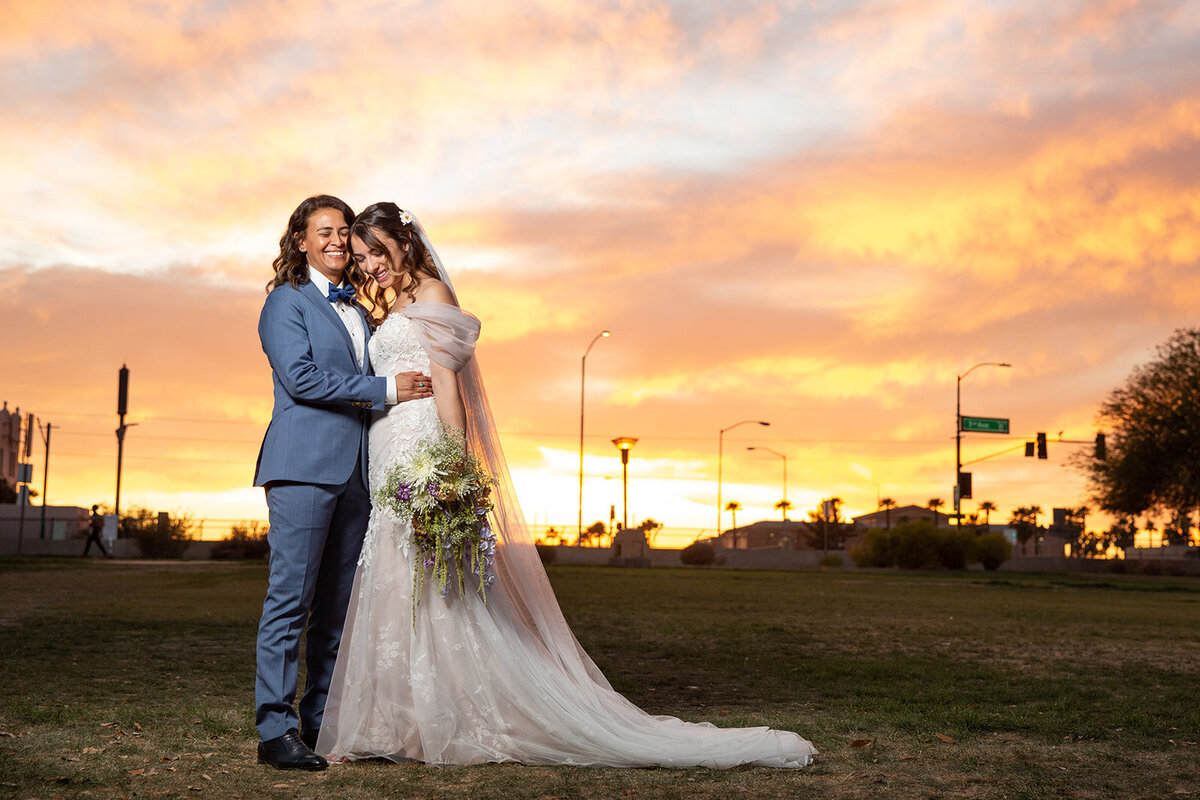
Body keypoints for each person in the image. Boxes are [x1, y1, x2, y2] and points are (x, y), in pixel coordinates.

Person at [316, 203, 815, 769]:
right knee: (394, 576)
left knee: (436, 584)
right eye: (361, 257)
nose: (371, 265)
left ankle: (451, 714)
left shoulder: (432, 296)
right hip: (388, 454)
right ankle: (398, 722)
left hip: (423, 450)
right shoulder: (395, 303)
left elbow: (451, 389)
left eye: (378, 251)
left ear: (404, 243)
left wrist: (454, 467)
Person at [252, 195, 434, 771]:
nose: (335, 241)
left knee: (338, 609)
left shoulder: (360, 307)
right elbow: (302, 378)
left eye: (342, 232)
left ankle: (322, 721)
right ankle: (275, 731)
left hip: (360, 473)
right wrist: (386, 390)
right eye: (323, 231)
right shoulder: (286, 302)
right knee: (291, 600)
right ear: (301, 241)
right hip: (304, 467)